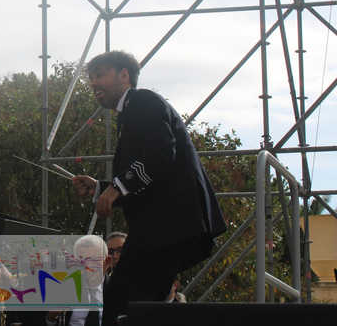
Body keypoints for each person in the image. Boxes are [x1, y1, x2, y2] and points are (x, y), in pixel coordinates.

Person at [71, 51, 225, 326]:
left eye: (100, 75)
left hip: (167, 227)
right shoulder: (131, 113)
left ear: (124, 75)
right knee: (133, 305)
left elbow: (160, 153)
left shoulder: (142, 101)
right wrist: (101, 189)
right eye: (91, 78)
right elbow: (149, 176)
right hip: (162, 231)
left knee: (123, 303)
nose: (94, 83)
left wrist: (115, 189)